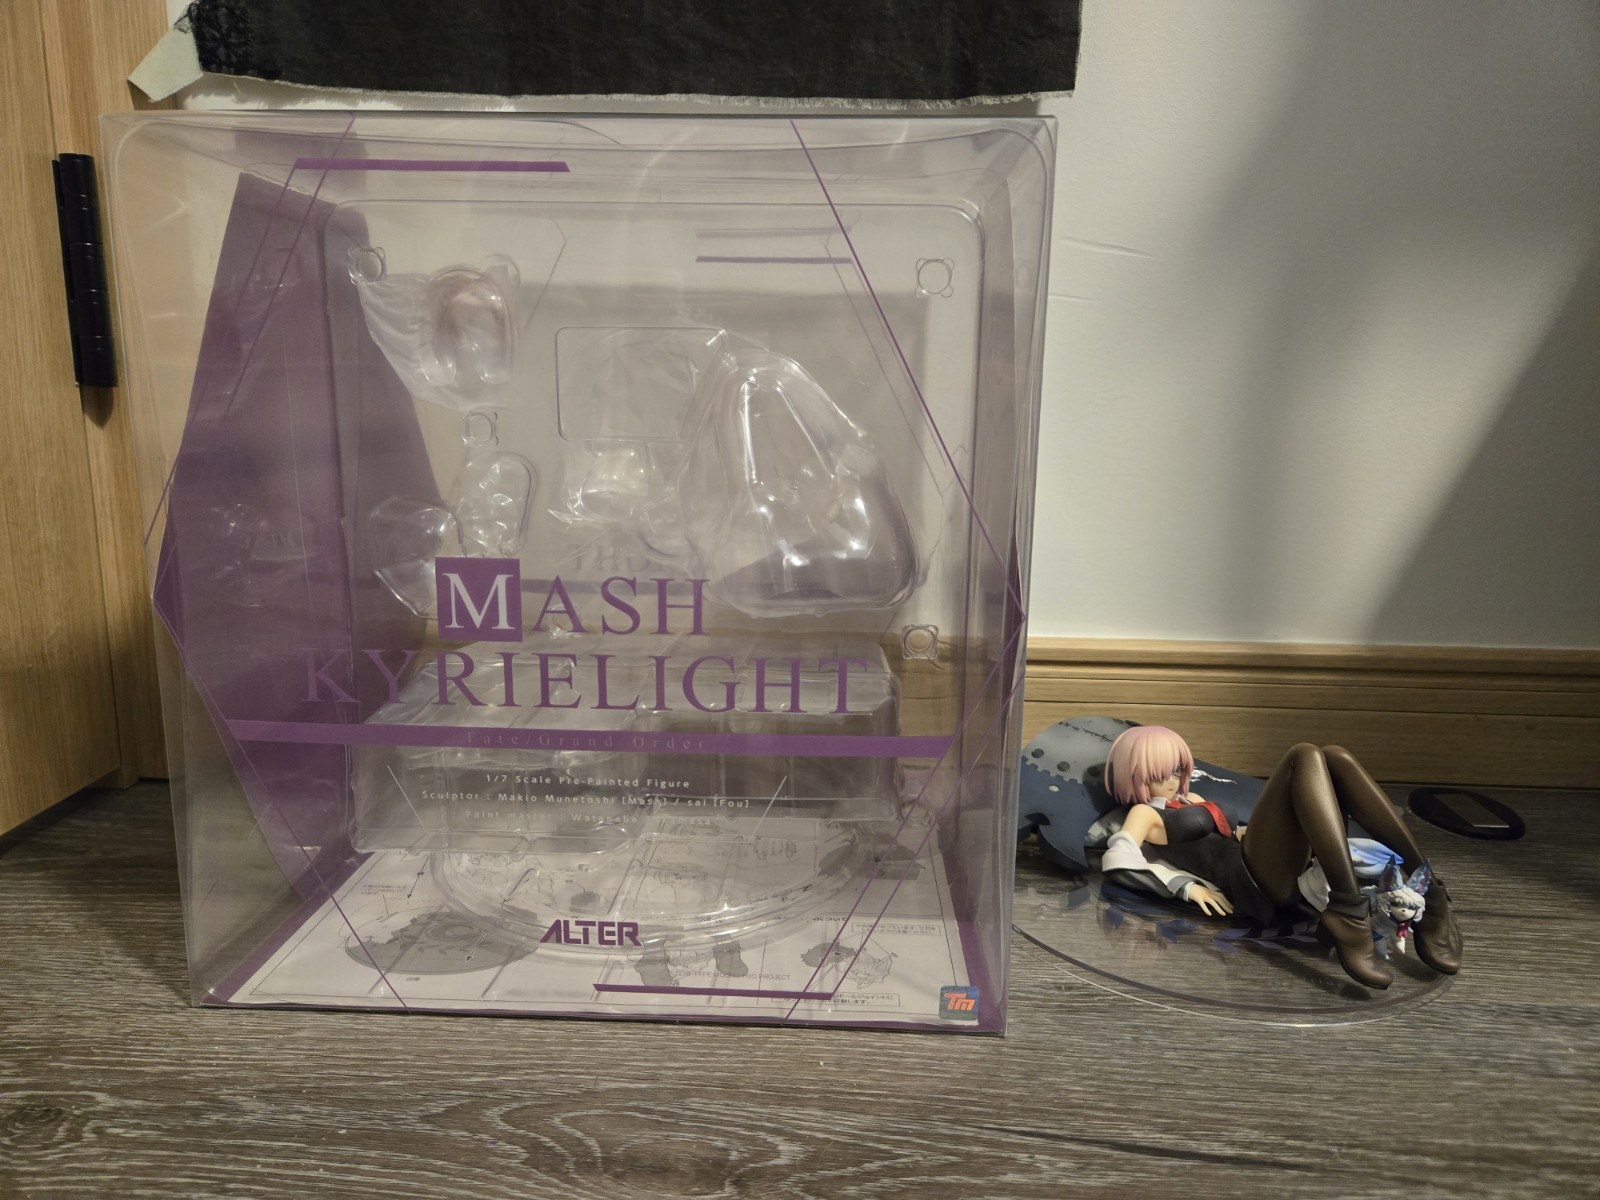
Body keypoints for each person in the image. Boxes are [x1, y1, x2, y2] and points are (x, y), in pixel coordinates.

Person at [1097, 725, 1463, 990]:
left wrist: (1244, 832)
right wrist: (1185, 887)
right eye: (1161, 772)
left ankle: (1431, 895)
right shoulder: (1145, 814)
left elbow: (1222, 835)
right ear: (1137, 774)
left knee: (1334, 758)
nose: (1173, 779)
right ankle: (1349, 913)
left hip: (1259, 859)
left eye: (1178, 769)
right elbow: (1120, 861)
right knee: (1303, 755)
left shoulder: (1191, 799)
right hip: (1247, 882)